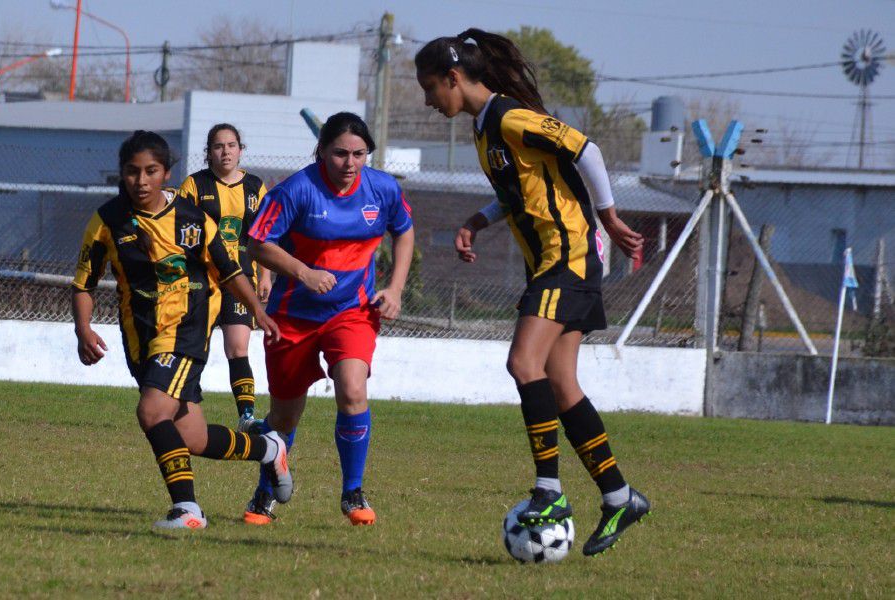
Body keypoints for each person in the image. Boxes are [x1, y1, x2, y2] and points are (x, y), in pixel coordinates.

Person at [415, 29, 650, 556]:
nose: (428, 101)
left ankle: (549, 491)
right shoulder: (482, 129)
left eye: (430, 88)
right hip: (550, 263)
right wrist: (478, 219)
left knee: (523, 364)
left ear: (454, 78)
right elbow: (519, 191)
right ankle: (619, 496)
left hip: (564, 259)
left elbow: (585, 150)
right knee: (561, 382)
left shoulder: (509, 117)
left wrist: (608, 215)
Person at [71, 130, 292, 530]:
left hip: (188, 327)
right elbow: (84, 284)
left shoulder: (192, 218)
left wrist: (258, 310)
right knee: (191, 437)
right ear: (122, 174)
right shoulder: (107, 221)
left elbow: (230, 270)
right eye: (132, 172)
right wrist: (83, 328)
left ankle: (187, 510)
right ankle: (267, 449)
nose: (141, 181)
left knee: (152, 411)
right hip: (141, 335)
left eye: (150, 171)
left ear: (166, 173)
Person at [243, 112, 414, 526]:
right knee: (285, 416)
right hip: (291, 316)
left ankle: (353, 492)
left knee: (353, 388)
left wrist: (395, 289)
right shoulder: (295, 190)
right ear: (322, 150)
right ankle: (266, 490)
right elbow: (256, 243)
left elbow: (404, 230)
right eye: (340, 153)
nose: (350, 163)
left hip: (351, 312)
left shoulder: (383, 189)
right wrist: (302, 272)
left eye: (359, 153)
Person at [179, 123, 272, 434]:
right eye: (219, 146)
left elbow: (265, 238)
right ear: (209, 153)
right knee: (193, 347)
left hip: (241, 279)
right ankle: (181, 406)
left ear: (240, 150)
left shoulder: (256, 187)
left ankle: (246, 415)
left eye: (231, 145)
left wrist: (265, 277)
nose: (226, 151)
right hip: (201, 281)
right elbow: (178, 233)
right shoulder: (194, 185)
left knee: (238, 348)